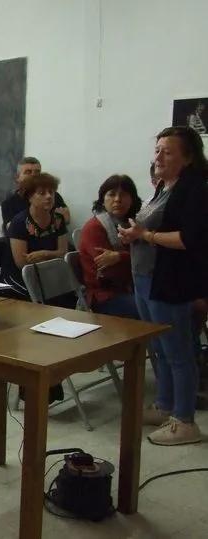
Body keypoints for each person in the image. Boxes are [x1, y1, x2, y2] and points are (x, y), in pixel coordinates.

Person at [117, 126, 208, 446]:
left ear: (187, 157)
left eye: (167, 152)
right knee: (159, 349)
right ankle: (165, 405)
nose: (158, 156)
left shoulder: (193, 189)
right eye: (157, 150)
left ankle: (185, 421)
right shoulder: (164, 187)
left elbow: (188, 239)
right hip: (146, 278)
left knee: (178, 352)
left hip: (170, 282)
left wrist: (145, 236)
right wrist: (133, 234)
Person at [77, 175, 142, 318]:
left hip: (133, 287)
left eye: (123, 194)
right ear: (102, 200)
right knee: (155, 312)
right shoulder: (95, 227)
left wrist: (119, 257)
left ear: (132, 199)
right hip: (105, 295)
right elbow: (108, 270)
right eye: (111, 195)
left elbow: (148, 257)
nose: (118, 199)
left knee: (184, 304)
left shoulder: (132, 223)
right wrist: (126, 258)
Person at [4, 172, 70, 298]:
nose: (49, 197)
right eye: (42, 193)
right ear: (29, 197)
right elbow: (22, 262)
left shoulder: (58, 219)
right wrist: (53, 256)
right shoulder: (20, 222)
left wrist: (45, 254)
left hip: (48, 271)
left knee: (69, 294)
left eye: (51, 192)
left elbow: (63, 253)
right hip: (21, 275)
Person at [1, 157, 70, 231]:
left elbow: (66, 218)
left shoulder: (53, 196)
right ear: (18, 177)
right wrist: (54, 219)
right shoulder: (9, 203)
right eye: (28, 172)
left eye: (37, 172)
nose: (34, 176)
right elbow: (13, 228)